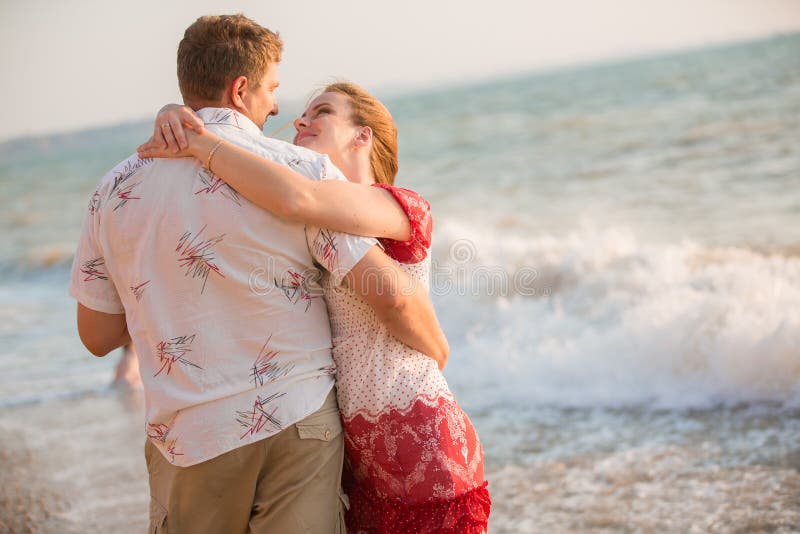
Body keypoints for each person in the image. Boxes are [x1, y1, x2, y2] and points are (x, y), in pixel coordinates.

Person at [69, 14, 447, 533]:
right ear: (241, 88)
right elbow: (383, 288)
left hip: (189, 438)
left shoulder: (112, 191)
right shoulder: (299, 169)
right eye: (271, 89)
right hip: (296, 419)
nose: (276, 107)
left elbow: (96, 336)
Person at [138, 82, 491, 532]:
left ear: (362, 136)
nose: (301, 120)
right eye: (302, 113)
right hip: (355, 457)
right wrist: (181, 113)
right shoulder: (312, 223)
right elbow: (269, 184)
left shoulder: (401, 206)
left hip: (418, 433)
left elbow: (297, 198)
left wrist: (200, 139)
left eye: (321, 111)